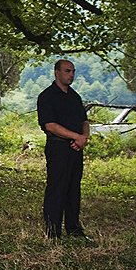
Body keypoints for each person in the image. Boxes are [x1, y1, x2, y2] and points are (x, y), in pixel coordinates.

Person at [37, 59, 91, 240]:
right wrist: (75, 137)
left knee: (73, 188)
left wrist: (83, 138)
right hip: (58, 147)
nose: (71, 75)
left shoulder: (75, 97)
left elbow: (84, 121)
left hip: (75, 149)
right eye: (67, 71)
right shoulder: (47, 96)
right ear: (57, 73)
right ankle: (53, 230)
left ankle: (74, 228)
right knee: (57, 187)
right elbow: (50, 125)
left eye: (73, 71)